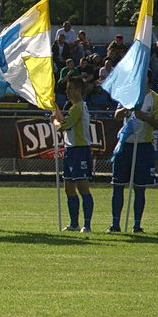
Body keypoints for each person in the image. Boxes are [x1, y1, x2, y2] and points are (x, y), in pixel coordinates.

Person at [108, 72, 158, 233]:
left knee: (140, 188)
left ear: (148, 78)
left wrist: (145, 117)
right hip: (125, 145)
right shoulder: (127, 94)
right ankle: (115, 224)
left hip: (143, 146)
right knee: (117, 186)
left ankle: (137, 225)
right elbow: (117, 115)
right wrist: (127, 108)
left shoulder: (156, 99)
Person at [53, 78, 95, 232]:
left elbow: (64, 125)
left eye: (70, 88)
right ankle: (74, 224)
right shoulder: (73, 108)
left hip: (80, 150)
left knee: (83, 187)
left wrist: (55, 123)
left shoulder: (78, 107)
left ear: (78, 90)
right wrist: (56, 109)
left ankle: (87, 225)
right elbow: (65, 121)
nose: (67, 91)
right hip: (70, 150)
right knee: (69, 188)